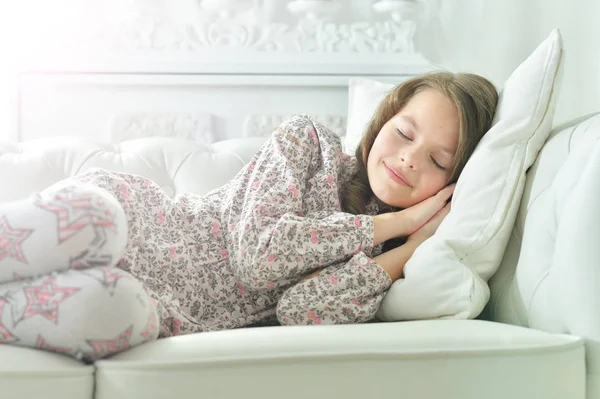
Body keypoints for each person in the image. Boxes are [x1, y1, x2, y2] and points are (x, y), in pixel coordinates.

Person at [0, 72, 498, 361]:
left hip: (165, 314)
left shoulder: (377, 268)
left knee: (108, 311)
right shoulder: (310, 142)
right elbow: (258, 255)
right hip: (136, 226)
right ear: (382, 120)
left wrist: (407, 250)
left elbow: (300, 311)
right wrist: (393, 224)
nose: (410, 159)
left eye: (438, 161)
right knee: (91, 220)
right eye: (404, 133)